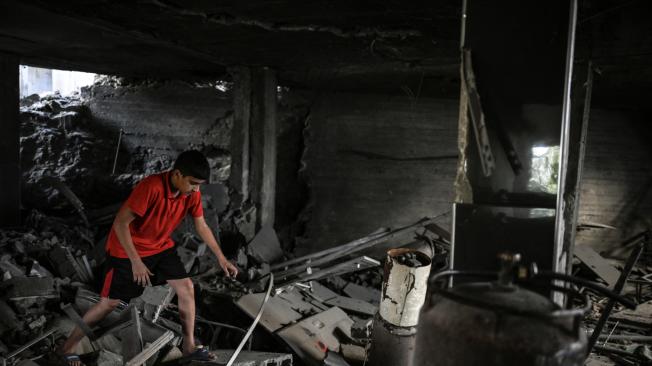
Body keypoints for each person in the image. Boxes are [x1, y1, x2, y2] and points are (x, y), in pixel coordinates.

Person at [58, 150, 238, 365]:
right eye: (192, 183)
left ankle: (189, 346)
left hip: (160, 247)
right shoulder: (150, 187)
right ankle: (67, 348)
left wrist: (221, 257)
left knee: (187, 288)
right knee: (109, 304)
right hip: (126, 249)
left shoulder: (191, 194)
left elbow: (201, 225)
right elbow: (120, 224)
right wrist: (136, 262)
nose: (196, 189)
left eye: (199, 184)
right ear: (177, 175)